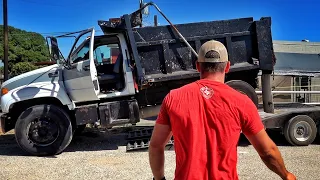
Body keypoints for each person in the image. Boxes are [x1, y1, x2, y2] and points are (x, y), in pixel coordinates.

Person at [148, 40, 296, 180]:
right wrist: (286, 175)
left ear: (198, 66)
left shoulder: (173, 98)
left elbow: (156, 146)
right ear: (227, 67)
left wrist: (159, 178)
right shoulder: (241, 102)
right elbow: (267, 151)